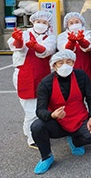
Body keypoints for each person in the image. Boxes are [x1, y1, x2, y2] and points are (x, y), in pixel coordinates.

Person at [30, 50, 91, 174]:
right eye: (60, 63)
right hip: (57, 123)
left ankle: (75, 141)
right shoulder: (45, 83)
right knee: (36, 126)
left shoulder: (81, 76)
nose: (65, 65)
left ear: (73, 63)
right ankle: (46, 157)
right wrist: (52, 115)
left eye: (68, 62)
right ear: (54, 66)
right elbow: (40, 110)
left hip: (79, 119)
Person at [7, 10, 57, 148]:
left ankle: (32, 129)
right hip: (24, 75)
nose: (41, 24)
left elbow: (47, 50)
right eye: (38, 22)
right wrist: (18, 40)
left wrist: (35, 46)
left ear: (48, 24)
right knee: (30, 108)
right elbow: (15, 46)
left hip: (43, 76)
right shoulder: (24, 34)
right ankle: (32, 137)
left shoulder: (51, 38)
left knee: (41, 105)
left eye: (44, 22)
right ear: (32, 22)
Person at [57, 12, 91, 80]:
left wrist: (82, 40)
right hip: (69, 65)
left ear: (81, 22)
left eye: (77, 22)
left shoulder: (87, 33)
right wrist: (71, 42)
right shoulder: (62, 36)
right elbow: (63, 50)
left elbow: (89, 46)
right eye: (71, 23)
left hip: (86, 64)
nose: (74, 25)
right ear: (67, 25)